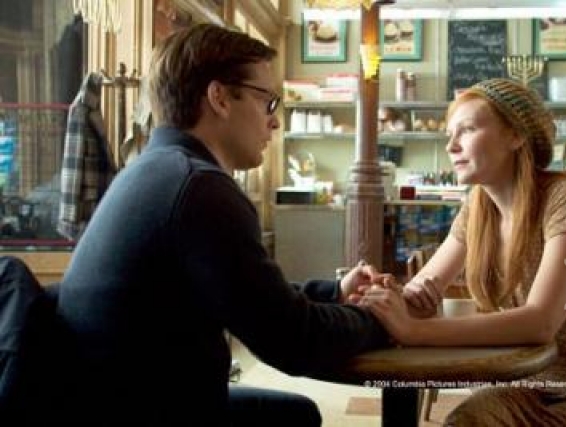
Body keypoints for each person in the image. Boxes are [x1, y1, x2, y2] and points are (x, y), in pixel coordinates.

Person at [57, 24, 390, 427]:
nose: (275, 122)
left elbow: (250, 296)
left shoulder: (154, 170)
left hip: (107, 402)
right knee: (295, 417)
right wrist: (381, 319)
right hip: (143, 414)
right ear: (219, 98)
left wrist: (335, 292)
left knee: (294, 413)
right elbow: (294, 341)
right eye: (268, 102)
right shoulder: (199, 188)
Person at [360, 78, 566, 425]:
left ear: (516, 135)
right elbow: (424, 287)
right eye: (450, 134)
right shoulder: (477, 207)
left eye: (467, 130)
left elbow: (542, 322)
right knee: (467, 420)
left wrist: (415, 331)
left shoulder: (564, 197)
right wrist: (399, 298)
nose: (451, 146)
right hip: (528, 382)